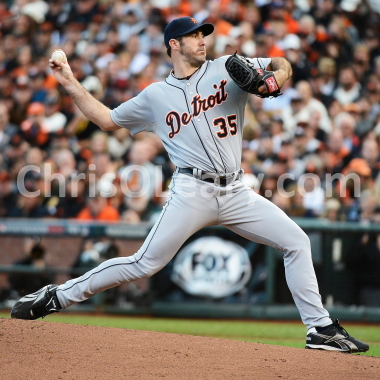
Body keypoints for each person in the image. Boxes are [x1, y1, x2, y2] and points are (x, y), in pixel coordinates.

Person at [11, 16, 369, 353]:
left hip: (236, 190)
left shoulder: (228, 66)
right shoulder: (154, 96)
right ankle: (56, 296)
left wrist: (275, 80)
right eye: (194, 36)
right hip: (192, 191)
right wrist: (71, 82)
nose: (202, 40)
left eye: (203, 35)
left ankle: (319, 328)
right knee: (144, 263)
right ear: (174, 45)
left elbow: (280, 63)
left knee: (296, 241)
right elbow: (105, 120)